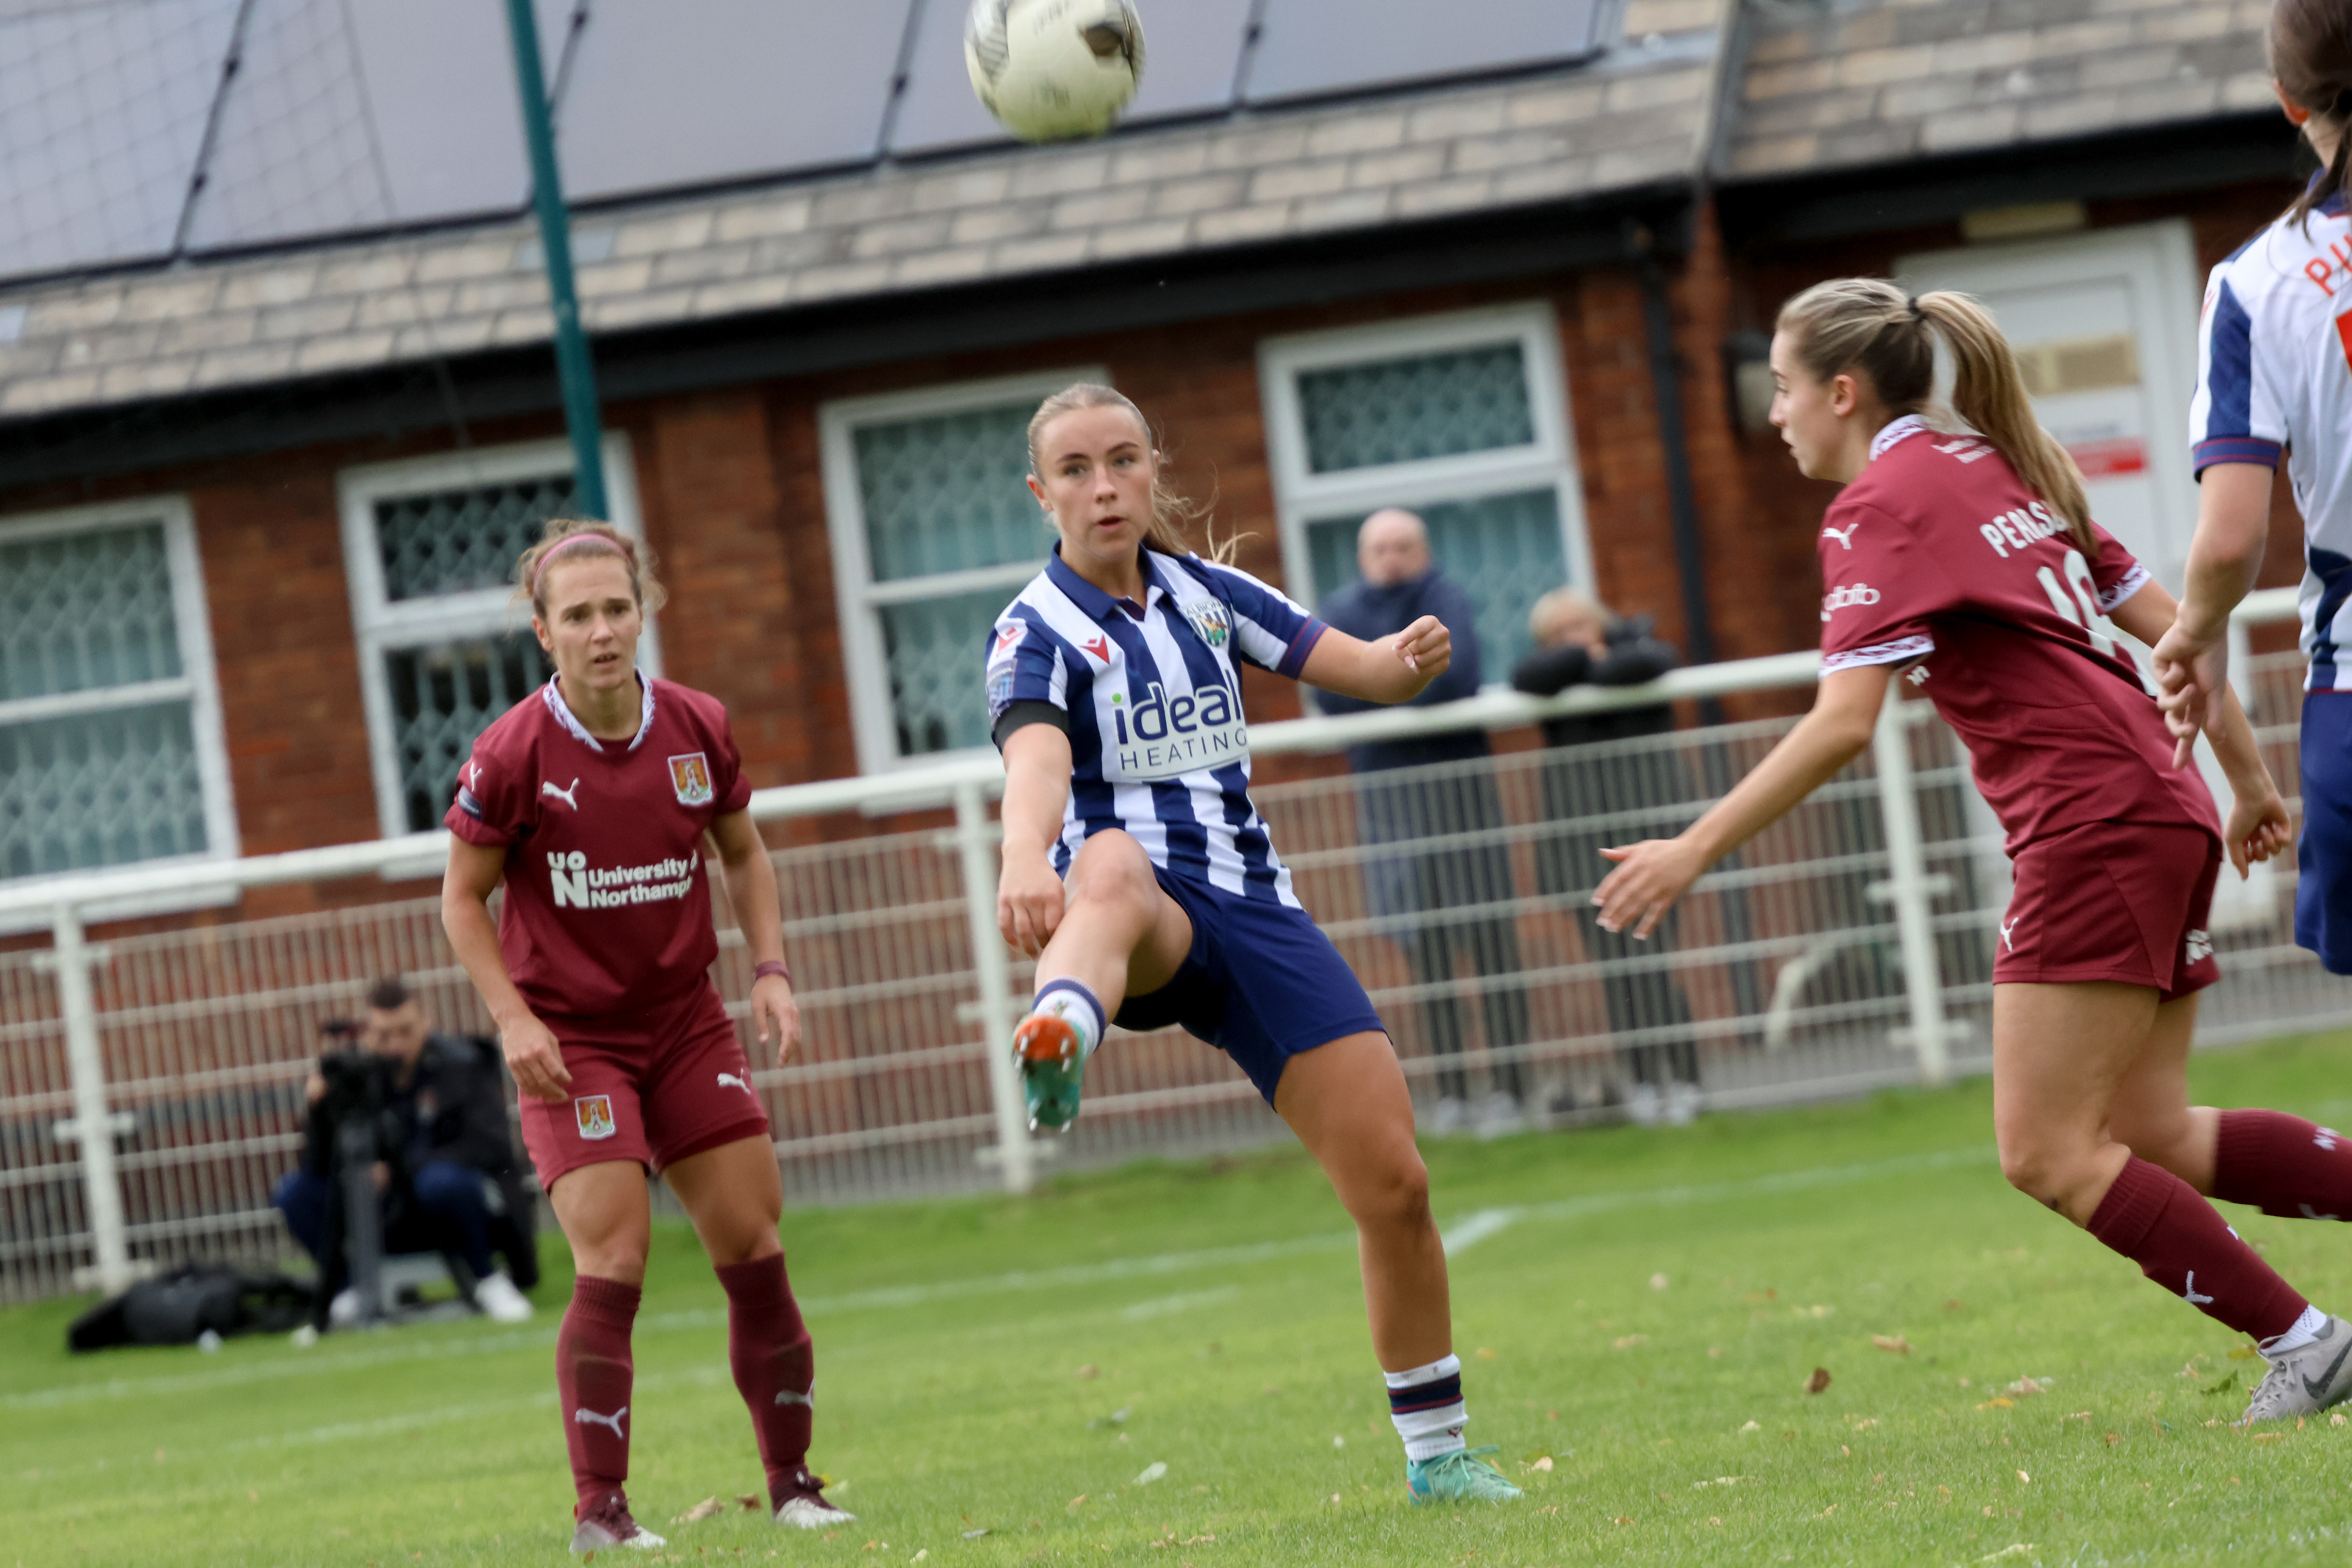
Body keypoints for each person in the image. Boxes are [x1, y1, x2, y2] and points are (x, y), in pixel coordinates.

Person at [1593, 278, 2352, 1426]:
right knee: (2151, 1130)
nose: (1777, 415)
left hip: (2092, 819)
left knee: (2045, 1149)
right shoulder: (1998, 460)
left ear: (1841, 391)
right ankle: (2305, 1337)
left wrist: (1693, 848)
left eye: (1785, 389)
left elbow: (1844, 721)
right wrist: (2242, 776)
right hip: (2161, 797)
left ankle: (2305, 1341)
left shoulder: (1876, 506)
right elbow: (2176, 632)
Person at [985, 383, 1521, 1505]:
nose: (1102, 486)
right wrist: (1020, 857)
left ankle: (1441, 1459)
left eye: (1121, 460)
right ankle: (1057, 1033)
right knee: (1114, 863)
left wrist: (1409, 655)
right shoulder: (1034, 630)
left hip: (1256, 910)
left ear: (1151, 471)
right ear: (1044, 494)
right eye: (1075, 470)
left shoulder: (1211, 597)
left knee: (1397, 1180)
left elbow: (1359, 668)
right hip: (1131, 918)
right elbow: (1034, 767)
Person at [440, 520, 853, 1553]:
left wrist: (769, 969)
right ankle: (601, 1511)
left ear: (644, 610)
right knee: (615, 1251)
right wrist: (513, 1016)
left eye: (617, 608)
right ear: (544, 631)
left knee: (754, 1241)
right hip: (571, 1037)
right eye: (576, 615)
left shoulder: (698, 725)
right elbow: (461, 900)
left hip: (683, 1020)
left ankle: (796, 1482)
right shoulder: (511, 753)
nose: (602, 629)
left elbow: (744, 854)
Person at [1316, 509, 1530, 1137]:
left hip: (1464, 809)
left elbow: (1456, 679)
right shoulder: (1341, 611)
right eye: (1380, 548)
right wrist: (1404, 680)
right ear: (1362, 556)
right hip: (1393, 818)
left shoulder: (1445, 600)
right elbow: (1328, 694)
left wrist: (1377, 679)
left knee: (1494, 952)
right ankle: (1454, 1095)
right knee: (1428, 965)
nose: (1392, 558)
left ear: (1424, 551)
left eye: (1404, 546)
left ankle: (1513, 1091)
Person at [1510, 590, 1701, 1125]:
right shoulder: (1551, 672)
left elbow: (1646, 664)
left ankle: (1684, 1081)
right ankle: (1643, 1083)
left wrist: (1594, 662)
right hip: (1579, 848)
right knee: (1617, 970)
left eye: (1581, 626)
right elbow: (1529, 678)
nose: (1573, 639)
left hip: (1655, 839)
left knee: (1654, 962)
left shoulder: (1638, 648)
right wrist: (1582, 659)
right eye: (1559, 634)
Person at [272, 975, 538, 1324]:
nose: (395, 1045)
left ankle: (488, 1280)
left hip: (452, 1207)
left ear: (425, 1023)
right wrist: (319, 1110)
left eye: (405, 1031)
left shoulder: (462, 1065)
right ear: (367, 1033)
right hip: (384, 1213)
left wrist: (401, 1169)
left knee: (441, 1182)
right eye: (384, 1035)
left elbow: (490, 1146)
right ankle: (348, 1290)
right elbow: (317, 1165)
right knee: (294, 1193)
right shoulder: (358, 1077)